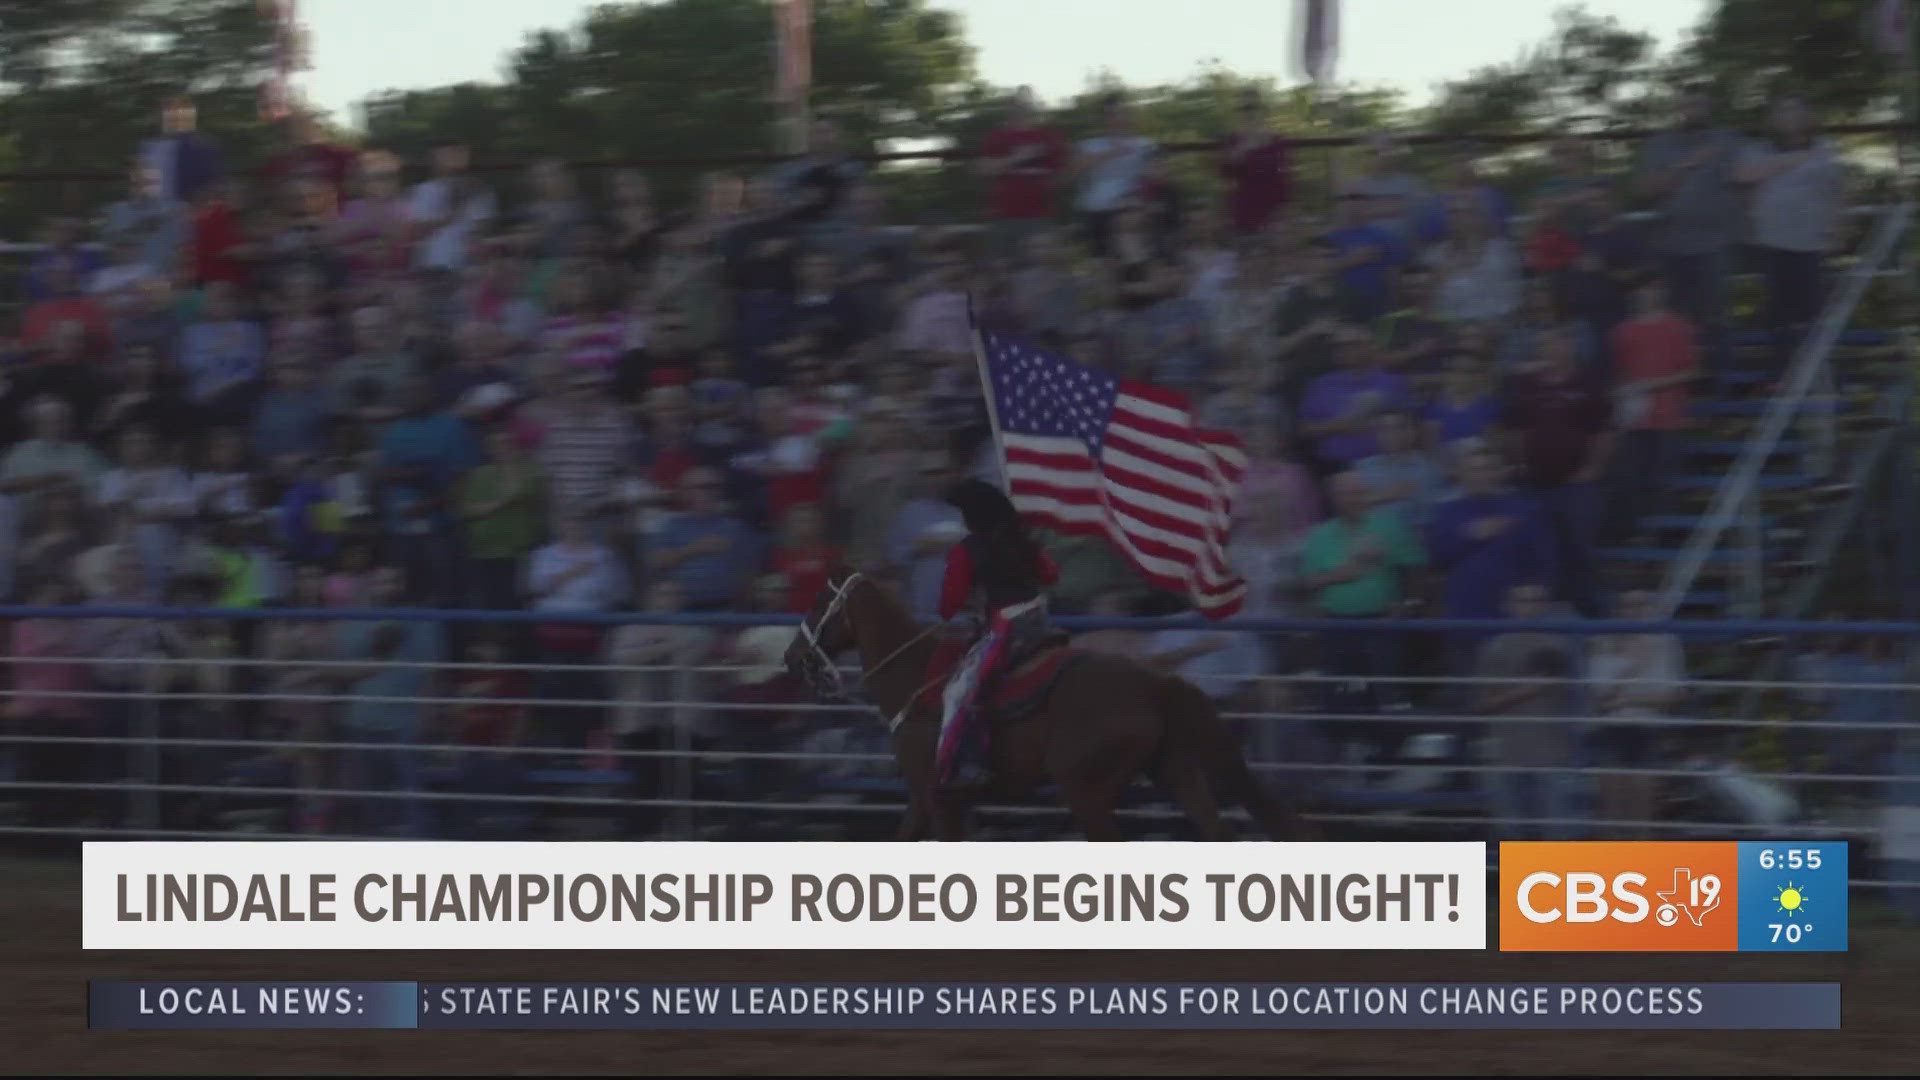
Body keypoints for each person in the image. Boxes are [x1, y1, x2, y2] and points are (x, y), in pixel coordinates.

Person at [934, 478, 1060, 790]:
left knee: (960, 691)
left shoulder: (966, 550)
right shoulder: (1025, 540)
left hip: (1005, 628)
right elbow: (1051, 575)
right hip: (1041, 623)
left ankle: (973, 762)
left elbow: (949, 605)